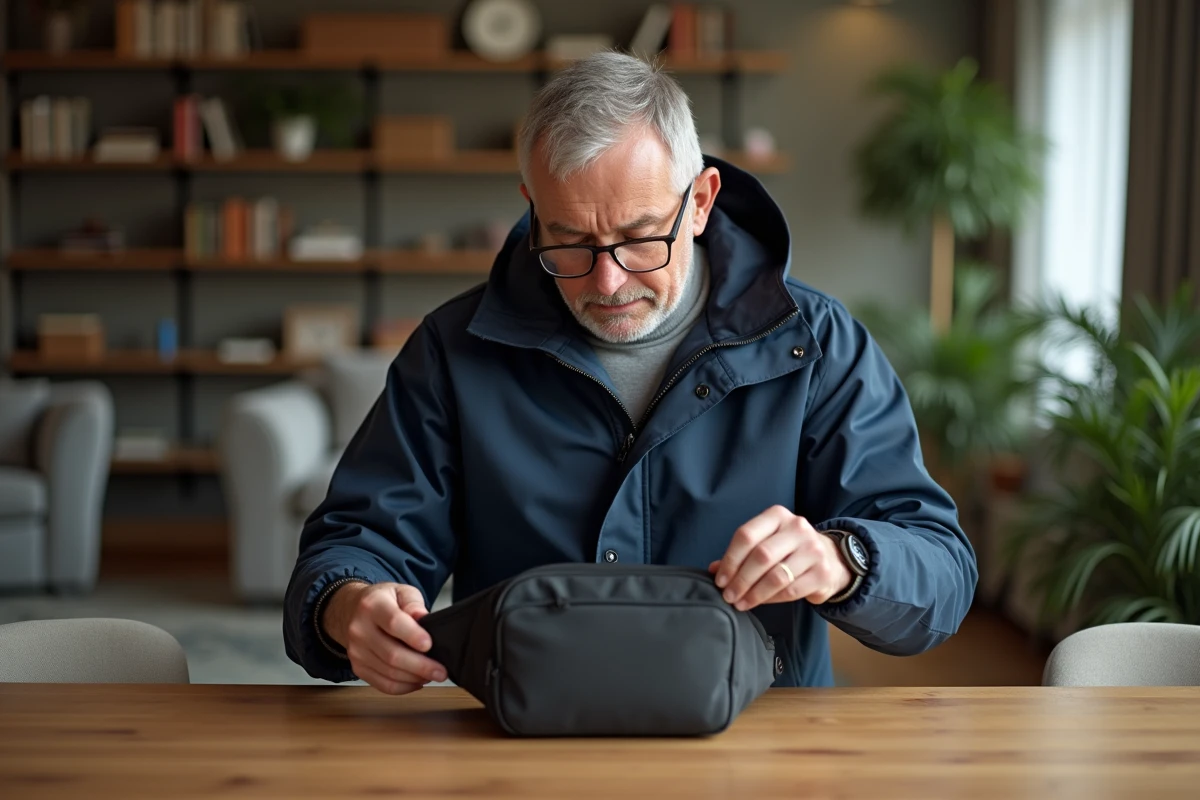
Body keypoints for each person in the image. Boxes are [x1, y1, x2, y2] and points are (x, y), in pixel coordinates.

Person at [284, 52, 976, 693]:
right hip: (523, 738)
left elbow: (940, 569)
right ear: (531, 206)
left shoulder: (817, 344)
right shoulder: (450, 350)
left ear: (701, 201)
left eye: (640, 237)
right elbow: (357, 544)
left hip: (762, 743)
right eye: (571, 241)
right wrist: (349, 608)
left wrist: (843, 558)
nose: (609, 281)